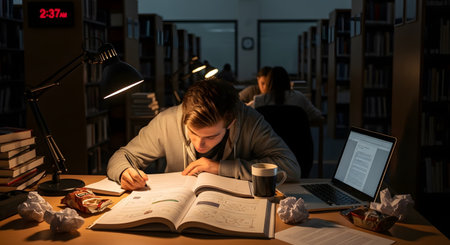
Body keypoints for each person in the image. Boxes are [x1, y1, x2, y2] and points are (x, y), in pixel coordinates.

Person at [107, 78, 301, 190]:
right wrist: (125, 172)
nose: (200, 145)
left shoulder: (250, 121)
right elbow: (121, 157)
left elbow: (291, 168)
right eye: (193, 132)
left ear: (231, 123)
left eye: (211, 136)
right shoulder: (168, 120)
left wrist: (221, 168)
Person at [248, 66, 323, 124]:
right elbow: (317, 116)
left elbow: (244, 112)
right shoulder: (299, 98)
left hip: (268, 142)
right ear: (288, 81)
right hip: (295, 142)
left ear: (268, 83)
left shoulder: (260, 100)